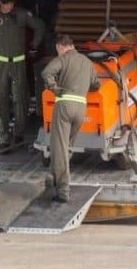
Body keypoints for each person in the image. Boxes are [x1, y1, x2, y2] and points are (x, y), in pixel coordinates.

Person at [0, 0, 44, 147]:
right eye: (6, 3)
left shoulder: (21, 15)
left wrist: (34, 45)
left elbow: (39, 26)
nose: (9, 6)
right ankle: (4, 138)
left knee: (20, 99)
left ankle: (19, 133)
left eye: (11, 3)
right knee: (0, 100)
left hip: (18, 63)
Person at [41, 34, 100, 203]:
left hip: (65, 106)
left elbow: (46, 72)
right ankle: (53, 178)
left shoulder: (64, 59)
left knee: (59, 149)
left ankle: (63, 192)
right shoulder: (87, 62)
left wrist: (54, 88)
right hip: (81, 109)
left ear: (61, 47)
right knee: (66, 148)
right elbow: (96, 85)